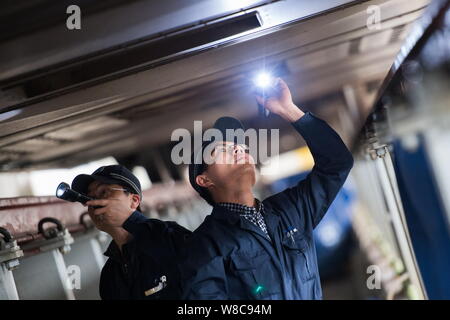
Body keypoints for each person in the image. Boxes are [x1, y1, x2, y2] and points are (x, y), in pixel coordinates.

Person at [180, 78, 354, 299]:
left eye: (240, 146)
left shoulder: (290, 211)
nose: (238, 150)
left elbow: (337, 163)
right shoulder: (206, 245)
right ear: (204, 180)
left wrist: (289, 110)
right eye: (222, 150)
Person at [71, 164, 191, 299]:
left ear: (134, 201)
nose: (94, 204)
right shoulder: (110, 275)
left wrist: (130, 220)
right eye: (89, 198)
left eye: (104, 192)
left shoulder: (170, 236)